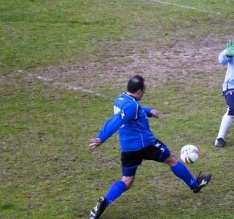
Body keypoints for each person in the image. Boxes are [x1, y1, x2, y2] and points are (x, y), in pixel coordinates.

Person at [89, 75, 211, 219]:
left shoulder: (121, 99)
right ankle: (194, 184)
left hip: (128, 149)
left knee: (127, 181)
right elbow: (116, 121)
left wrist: (149, 111)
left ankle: (104, 201)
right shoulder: (132, 106)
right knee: (171, 158)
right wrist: (101, 137)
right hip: (146, 145)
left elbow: (132, 112)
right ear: (139, 91)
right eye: (144, 89)